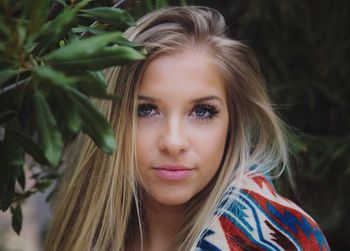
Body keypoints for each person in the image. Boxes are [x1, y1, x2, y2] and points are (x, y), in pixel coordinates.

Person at [45, 6, 330, 251]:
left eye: (202, 111)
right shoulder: (84, 233)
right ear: (111, 120)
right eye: (145, 110)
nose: (173, 141)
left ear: (233, 123)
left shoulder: (280, 238)